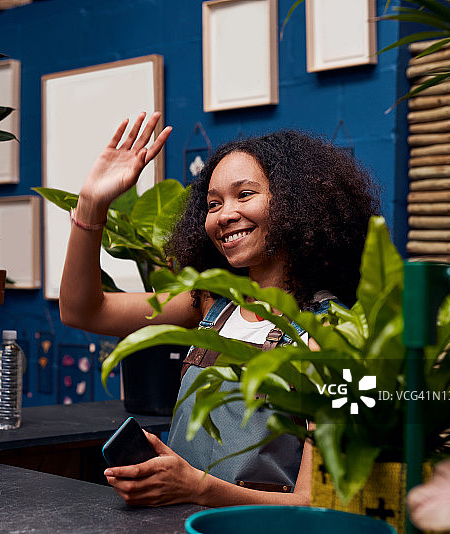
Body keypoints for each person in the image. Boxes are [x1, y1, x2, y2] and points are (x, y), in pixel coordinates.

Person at [60, 111, 380, 507]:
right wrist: (91, 203)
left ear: (298, 203)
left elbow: (320, 503)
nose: (225, 215)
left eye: (244, 195)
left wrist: (197, 488)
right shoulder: (212, 306)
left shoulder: (337, 336)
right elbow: (83, 311)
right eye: (213, 203)